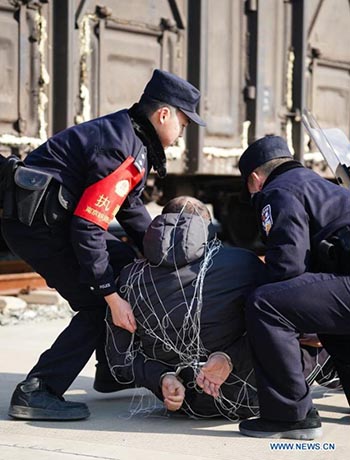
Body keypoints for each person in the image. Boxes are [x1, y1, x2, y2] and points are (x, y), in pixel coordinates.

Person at [0, 69, 206, 421]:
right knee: (95, 305)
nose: (182, 134)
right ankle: (38, 390)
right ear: (164, 114)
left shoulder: (130, 135)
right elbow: (88, 227)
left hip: (48, 219)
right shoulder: (121, 148)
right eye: (184, 125)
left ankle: (111, 371)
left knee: (125, 260)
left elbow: (130, 209)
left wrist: (165, 253)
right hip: (38, 226)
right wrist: (110, 296)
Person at [105, 196, 336, 419]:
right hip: (255, 396)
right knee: (320, 335)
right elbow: (282, 325)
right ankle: (334, 374)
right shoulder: (243, 263)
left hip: (185, 403)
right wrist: (229, 357)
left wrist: (163, 378)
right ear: (205, 228)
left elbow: (119, 361)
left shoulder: (128, 280)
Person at [231, 135, 350, 439]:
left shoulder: (277, 191)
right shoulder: (318, 184)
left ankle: (289, 415)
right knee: (323, 313)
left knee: (265, 304)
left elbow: (287, 264)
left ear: (255, 179)